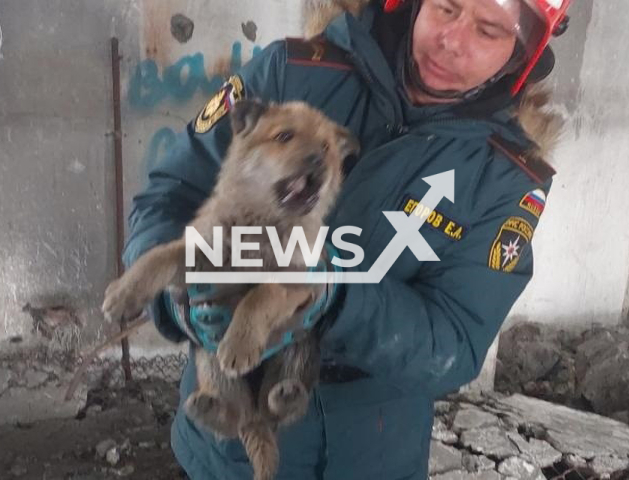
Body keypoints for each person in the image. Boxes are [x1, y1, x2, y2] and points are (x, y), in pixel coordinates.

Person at [122, 0, 572, 478]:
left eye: (487, 31)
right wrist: (177, 300)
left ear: (520, 55)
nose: (452, 40)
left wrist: (334, 296)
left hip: (373, 448)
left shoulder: (505, 174)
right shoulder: (291, 74)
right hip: (227, 439)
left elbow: (455, 339)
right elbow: (171, 196)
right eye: (445, 7)